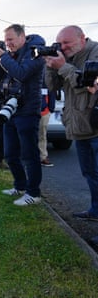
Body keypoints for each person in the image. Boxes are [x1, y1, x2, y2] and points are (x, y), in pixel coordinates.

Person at [45, 25, 98, 221]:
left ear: (82, 38)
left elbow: (87, 83)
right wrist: (50, 66)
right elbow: (52, 86)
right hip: (80, 126)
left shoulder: (95, 52)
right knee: (90, 174)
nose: (63, 47)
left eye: (67, 43)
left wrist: (62, 66)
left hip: (95, 125)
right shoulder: (68, 58)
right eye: (60, 43)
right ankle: (95, 211)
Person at [0, 24, 45, 206]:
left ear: (23, 37)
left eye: (11, 39)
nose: (8, 44)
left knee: (29, 154)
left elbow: (21, 73)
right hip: (11, 109)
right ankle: (20, 186)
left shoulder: (36, 51)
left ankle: (33, 193)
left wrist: (4, 57)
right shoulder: (11, 55)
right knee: (10, 154)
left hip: (28, 110)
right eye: (6, 40)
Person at [39, 86, 55, 167]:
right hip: (29, 112)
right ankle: (29, 158)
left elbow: (51, 92)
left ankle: (43, 157)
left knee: (42, 136)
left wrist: (50, 108)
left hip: (44, 112)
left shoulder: (45, 78)